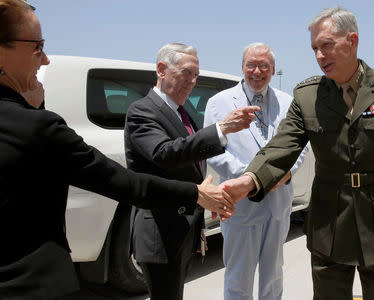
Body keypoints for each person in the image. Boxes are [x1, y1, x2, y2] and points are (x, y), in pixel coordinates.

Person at [0, 1, 233, 299]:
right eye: (37, 47)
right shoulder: (139, 111)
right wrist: (196, 192)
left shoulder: (183, 112)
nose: (44, 59)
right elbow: (132, 177)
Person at [221, 6, 374, 300]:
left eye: (327, 45)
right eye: (315, 48)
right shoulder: (308, 97)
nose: (320, 55)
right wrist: (247, 182)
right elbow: (283, 146)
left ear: (352, 40)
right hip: (329, 227)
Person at [124, 43, 259, 300]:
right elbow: (164, 153)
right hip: (159, 233)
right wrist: (221, 129)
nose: (193, 81)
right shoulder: (142, 111)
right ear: (162, 69)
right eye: (187, 72)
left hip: (182, 231)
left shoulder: (181, 113)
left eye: (196, 75)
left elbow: (190, 161)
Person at [204, 42, 308, 300]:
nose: (257, 71)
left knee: (273, 276)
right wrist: (253, 176)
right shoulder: (219, 102)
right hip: (241, 206)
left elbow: (300, 145)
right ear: (242, 67)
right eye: (251, 65)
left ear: (273, 69)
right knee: (239, 277)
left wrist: (284, 173)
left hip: (277, 204)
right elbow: (212, 148)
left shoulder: (288, 103)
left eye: (264, 66)